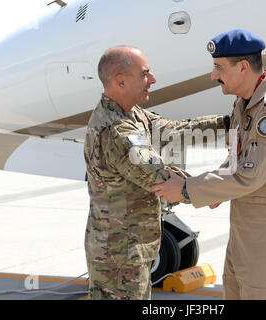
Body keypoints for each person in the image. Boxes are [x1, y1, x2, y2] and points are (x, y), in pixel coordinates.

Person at [152, 30, 266, 300]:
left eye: (218, 68)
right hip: (246, 234)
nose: (213, 76)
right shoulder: (245, 104)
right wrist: (212, 189)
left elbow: (248, 175)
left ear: (243, 67)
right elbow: (236, 160)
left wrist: (188, 189)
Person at [84, 45, 227, 300]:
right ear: (121, 81)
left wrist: (227, 123)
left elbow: (175, 130)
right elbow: (159, 178)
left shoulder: (131, 113)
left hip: (131, 248)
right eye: (145, 74)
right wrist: (206, 190)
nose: (153, 79)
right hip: (118, 257)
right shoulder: (117, 131)